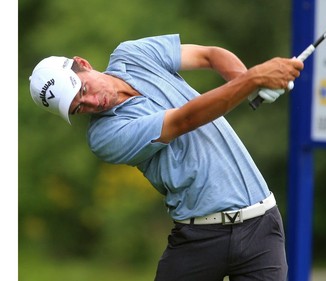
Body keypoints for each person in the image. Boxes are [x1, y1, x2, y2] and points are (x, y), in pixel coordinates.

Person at [29, 34, 303, 281]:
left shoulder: (132, 55)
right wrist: (252, 79)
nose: (90, 104)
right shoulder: (104, 136)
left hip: (261, 225)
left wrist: (249, 82)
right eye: (78, 108)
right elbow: (185, 119)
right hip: (198, 239)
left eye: (84, 90)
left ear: (83, 64)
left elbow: (209, 55)